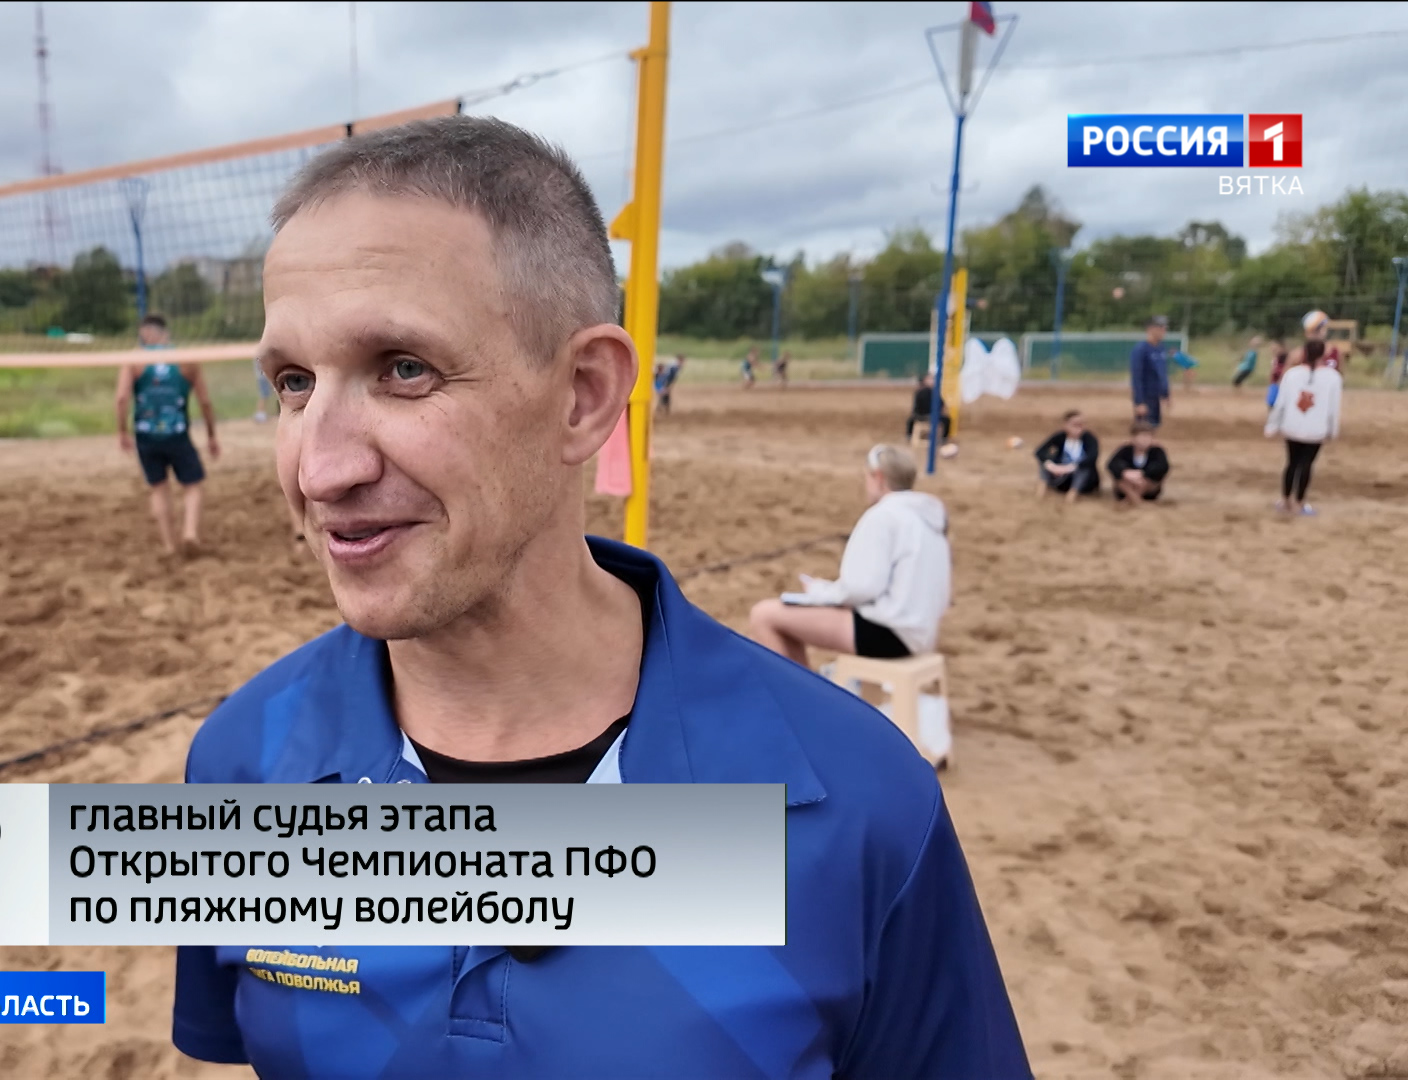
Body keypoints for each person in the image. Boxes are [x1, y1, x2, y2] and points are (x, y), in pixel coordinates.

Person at [173, 115, 1028, 1079]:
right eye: (293, 382)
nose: (318, 469)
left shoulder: (864, 805)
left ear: (583, 394)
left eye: (404, 369)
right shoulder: (241, 760)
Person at [748, 444, 951, 670]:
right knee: (788, 618)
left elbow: (861, 589)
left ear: (878, 477)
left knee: (764, 615)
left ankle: (800, 692)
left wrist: (820, 592)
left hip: (889, 632)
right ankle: (804, 688)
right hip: (921, 632)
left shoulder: (883, 516)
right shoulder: (929, 518)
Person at [115, 314, 220, 554]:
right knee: (192, 484)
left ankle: (169, 545)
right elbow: (205, 402)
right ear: (166, 333)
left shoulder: (134, 359)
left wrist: (122, 431)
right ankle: (190, 533)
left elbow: (121, 399)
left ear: (143, 334)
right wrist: (211, 436)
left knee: (159, 488)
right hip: (177, 433)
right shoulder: (186, 360)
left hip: (146, 434)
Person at [1265, 339, 1342, 517]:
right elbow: (1334, 408)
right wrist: (1333, 430)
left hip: (1292, 426)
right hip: (1316, 430)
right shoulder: (1333, 377)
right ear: (1323, 354)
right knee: (1307, 464)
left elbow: (1280, 402)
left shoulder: (1291, 374)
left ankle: (1285, 501)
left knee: (1291, 463)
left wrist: (1272, 425)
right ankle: (1299, 503)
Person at [1033, 409, 1100, 501]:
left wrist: (1070, 468)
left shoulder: (1089, 439)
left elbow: (1092, 457)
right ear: (1066, 425)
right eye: (1075, 424)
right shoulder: (1060, 437)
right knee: (1044, 462)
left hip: (1082, 479)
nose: (1078, 428)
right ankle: (1041, 492)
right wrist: (1052, 466)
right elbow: (1040, 452)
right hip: (1061, 477)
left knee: (1084, 468)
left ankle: (1072, 495)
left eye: (1081, 424)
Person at [1106, 420, 1170, 508]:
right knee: (1122, 483)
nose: (1144, 440)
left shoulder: (1157, 452)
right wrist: (1125, 472)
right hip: (1127, 483)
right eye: (1141, 437)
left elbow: (1162, 466)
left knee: (1144, 483)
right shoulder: (1125, 450)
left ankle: (1130, 501)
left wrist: (1142, 474)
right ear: (1133, 438)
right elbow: (1112, 464)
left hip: (1148, 486)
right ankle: (1137, 501)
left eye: (1147, 437)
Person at [1128, 315, 1173, 425]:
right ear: (1150, 329)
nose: (1163, 331)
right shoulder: (1140, 349)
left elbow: (1162, 373)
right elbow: (1136, 377)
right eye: (1160, 327)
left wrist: (1166, 394)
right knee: (1144, 429)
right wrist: (1139, 402)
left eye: (1164, 328)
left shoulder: (1161, 348)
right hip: (1146, 397)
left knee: (1154, 427)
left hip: (1156, 398)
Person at [904, 372, 949, 441]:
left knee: (911, 420)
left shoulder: (930, 392)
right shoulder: (925, 392)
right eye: (930, 379)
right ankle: (944, 438)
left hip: (923, 415)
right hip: (925, 415)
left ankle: (909, 436)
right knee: (946, 420)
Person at [251, 356, 274, 423]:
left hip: (263, 377)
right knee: (264, 395)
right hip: (263, 378)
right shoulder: (260, 356)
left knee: (266, 395)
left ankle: (262, 413)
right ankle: (260, 414)